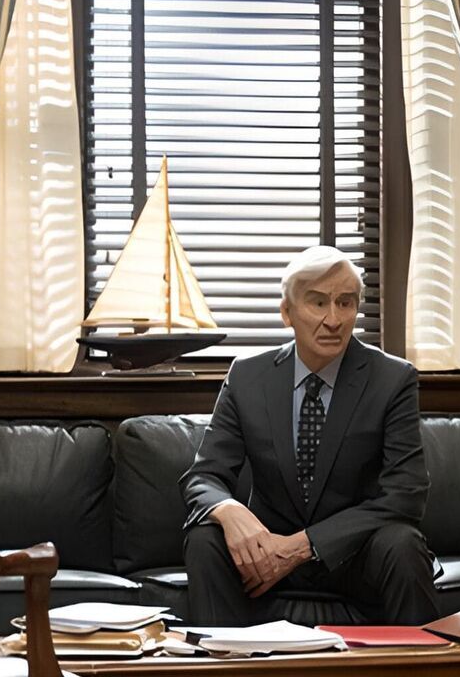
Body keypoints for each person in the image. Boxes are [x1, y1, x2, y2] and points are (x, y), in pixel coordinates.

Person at [180, 246, 438, 626]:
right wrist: (229, 510)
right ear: (287, 312)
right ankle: (222, 655)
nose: (333, 320)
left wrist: (303, 546)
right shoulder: (248, 377)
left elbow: (406, 494)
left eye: (345, 303)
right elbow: (204, 477)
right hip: (264, 558)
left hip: (353, 557)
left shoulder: (392, 379)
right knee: (205, 538)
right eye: (318, 303)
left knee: (402, 544)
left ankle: (416, 658)